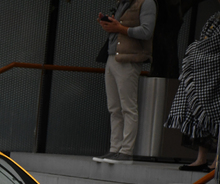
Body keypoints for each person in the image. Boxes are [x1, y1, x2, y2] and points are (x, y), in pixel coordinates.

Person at [93, 0, 157, 164]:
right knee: (114, 107)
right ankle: (115, 148)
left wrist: (119, 28)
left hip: (129, 59)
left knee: (128, 107)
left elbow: (147, 31)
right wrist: (108, 24)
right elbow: (119, 29)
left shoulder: (146, 3)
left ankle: (126, 151)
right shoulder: (123, 4)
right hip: (112, 56)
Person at [165, 7, 220, 172]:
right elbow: (205, 41)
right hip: (204, 72)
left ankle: (217, 160)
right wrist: (198, 53)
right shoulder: (215, 17)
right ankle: (201, 158)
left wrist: (200, 51)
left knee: (215, 115)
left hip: (216, 73)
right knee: (198, 113)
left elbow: (212, 44)